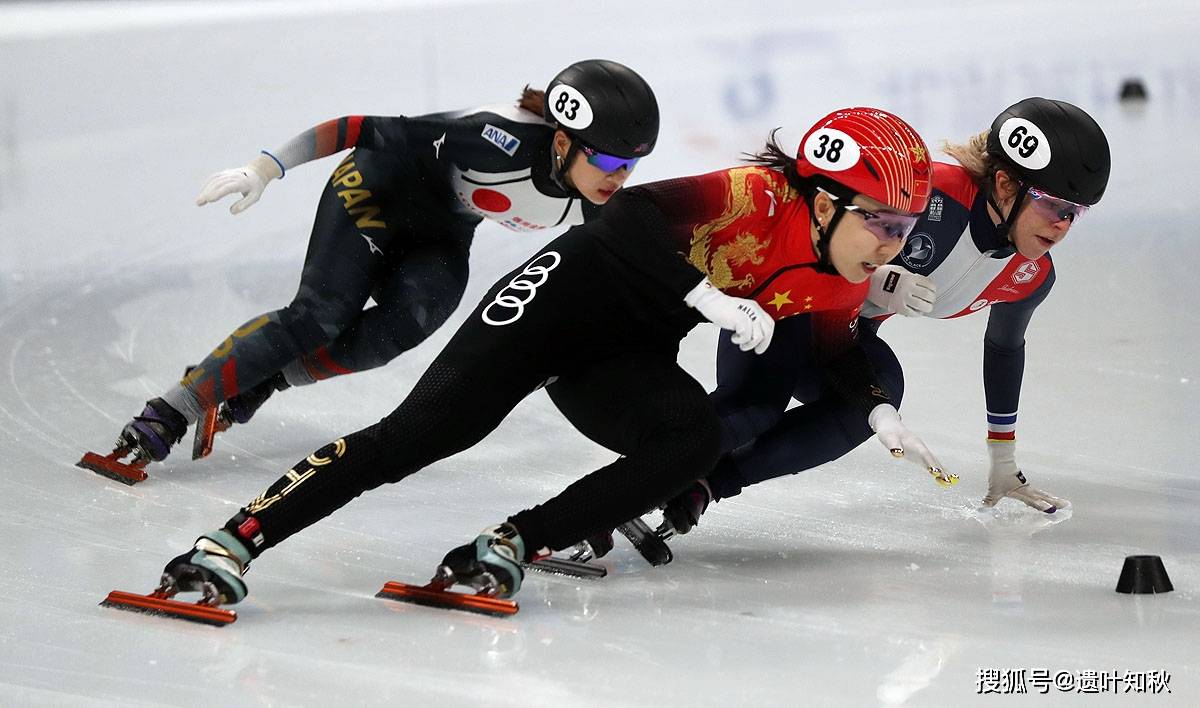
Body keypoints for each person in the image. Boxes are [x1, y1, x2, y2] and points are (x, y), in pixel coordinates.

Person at [152, 106, 948, 607]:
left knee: (693, 440)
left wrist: (875, 405)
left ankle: (509, 544)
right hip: (550, 304)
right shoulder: (747, 197)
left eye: (906, 229)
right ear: (822, 198)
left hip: (622, 355)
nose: (893, 244)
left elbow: (840, 351)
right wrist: (703, 296)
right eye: (881, 221)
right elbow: (626, 216)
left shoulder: (845, 276)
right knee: (418, 437)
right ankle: (229, 543)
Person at [84, 59, 659, 468]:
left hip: (442, 230)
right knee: (318, 318)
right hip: (376, 189)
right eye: (607, 158)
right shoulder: (497, 138)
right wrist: (266, 167)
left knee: (399, 331)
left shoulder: (598, 202)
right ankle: (168, 412)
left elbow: (635, 265)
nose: (618, 176)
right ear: (560, 141)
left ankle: (261, 382)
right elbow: (364, 127)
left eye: (631, 164)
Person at [657, 97, 1111, 538]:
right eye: (1055, 206)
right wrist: (874, 283)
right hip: (786, 302)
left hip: (841, 340)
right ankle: (633, 479)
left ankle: (703, 487)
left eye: (1077, 213)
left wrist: (1004, 461)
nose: (1063, 226)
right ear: (1007, 185)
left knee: (880, 395)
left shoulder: (1030, 276)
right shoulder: (929, 193)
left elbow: (1005, 348)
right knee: (753, 411)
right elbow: (806, 224)